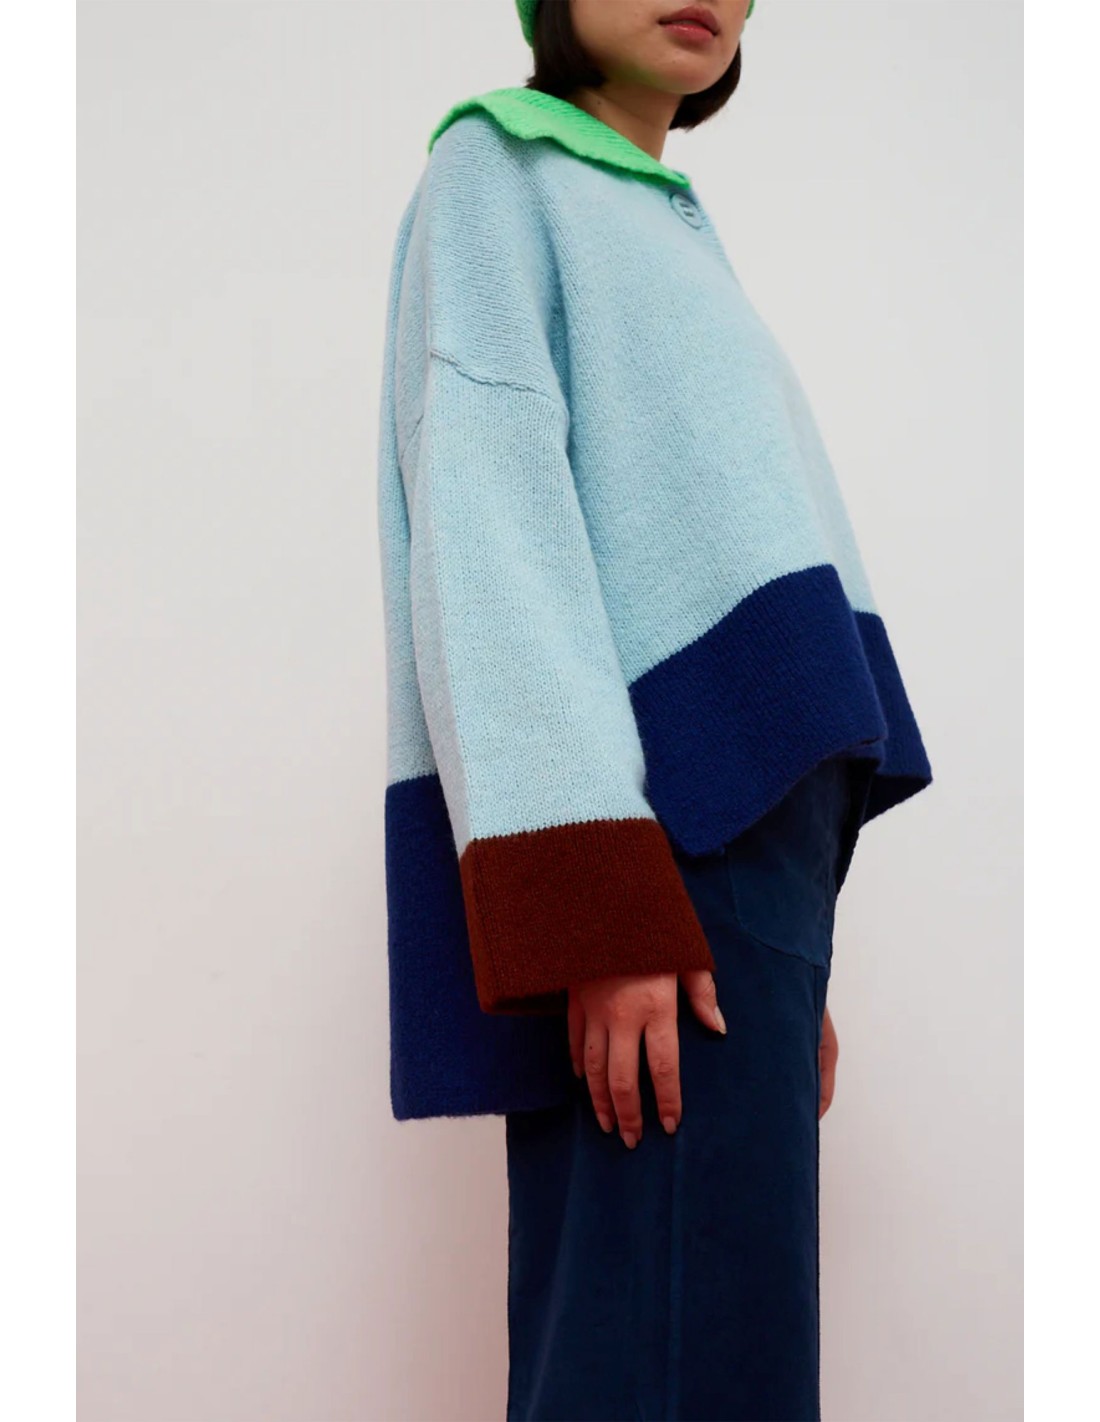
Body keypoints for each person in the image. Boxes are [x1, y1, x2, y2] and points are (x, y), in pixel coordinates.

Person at [375, 2, 932, 1417]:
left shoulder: (655, 217)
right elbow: (490, 531)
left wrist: (791, 962)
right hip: (657, 860)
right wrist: (602, 910)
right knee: (652, 1356)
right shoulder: (499, 173)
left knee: (725, 1349)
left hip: (738, 885)